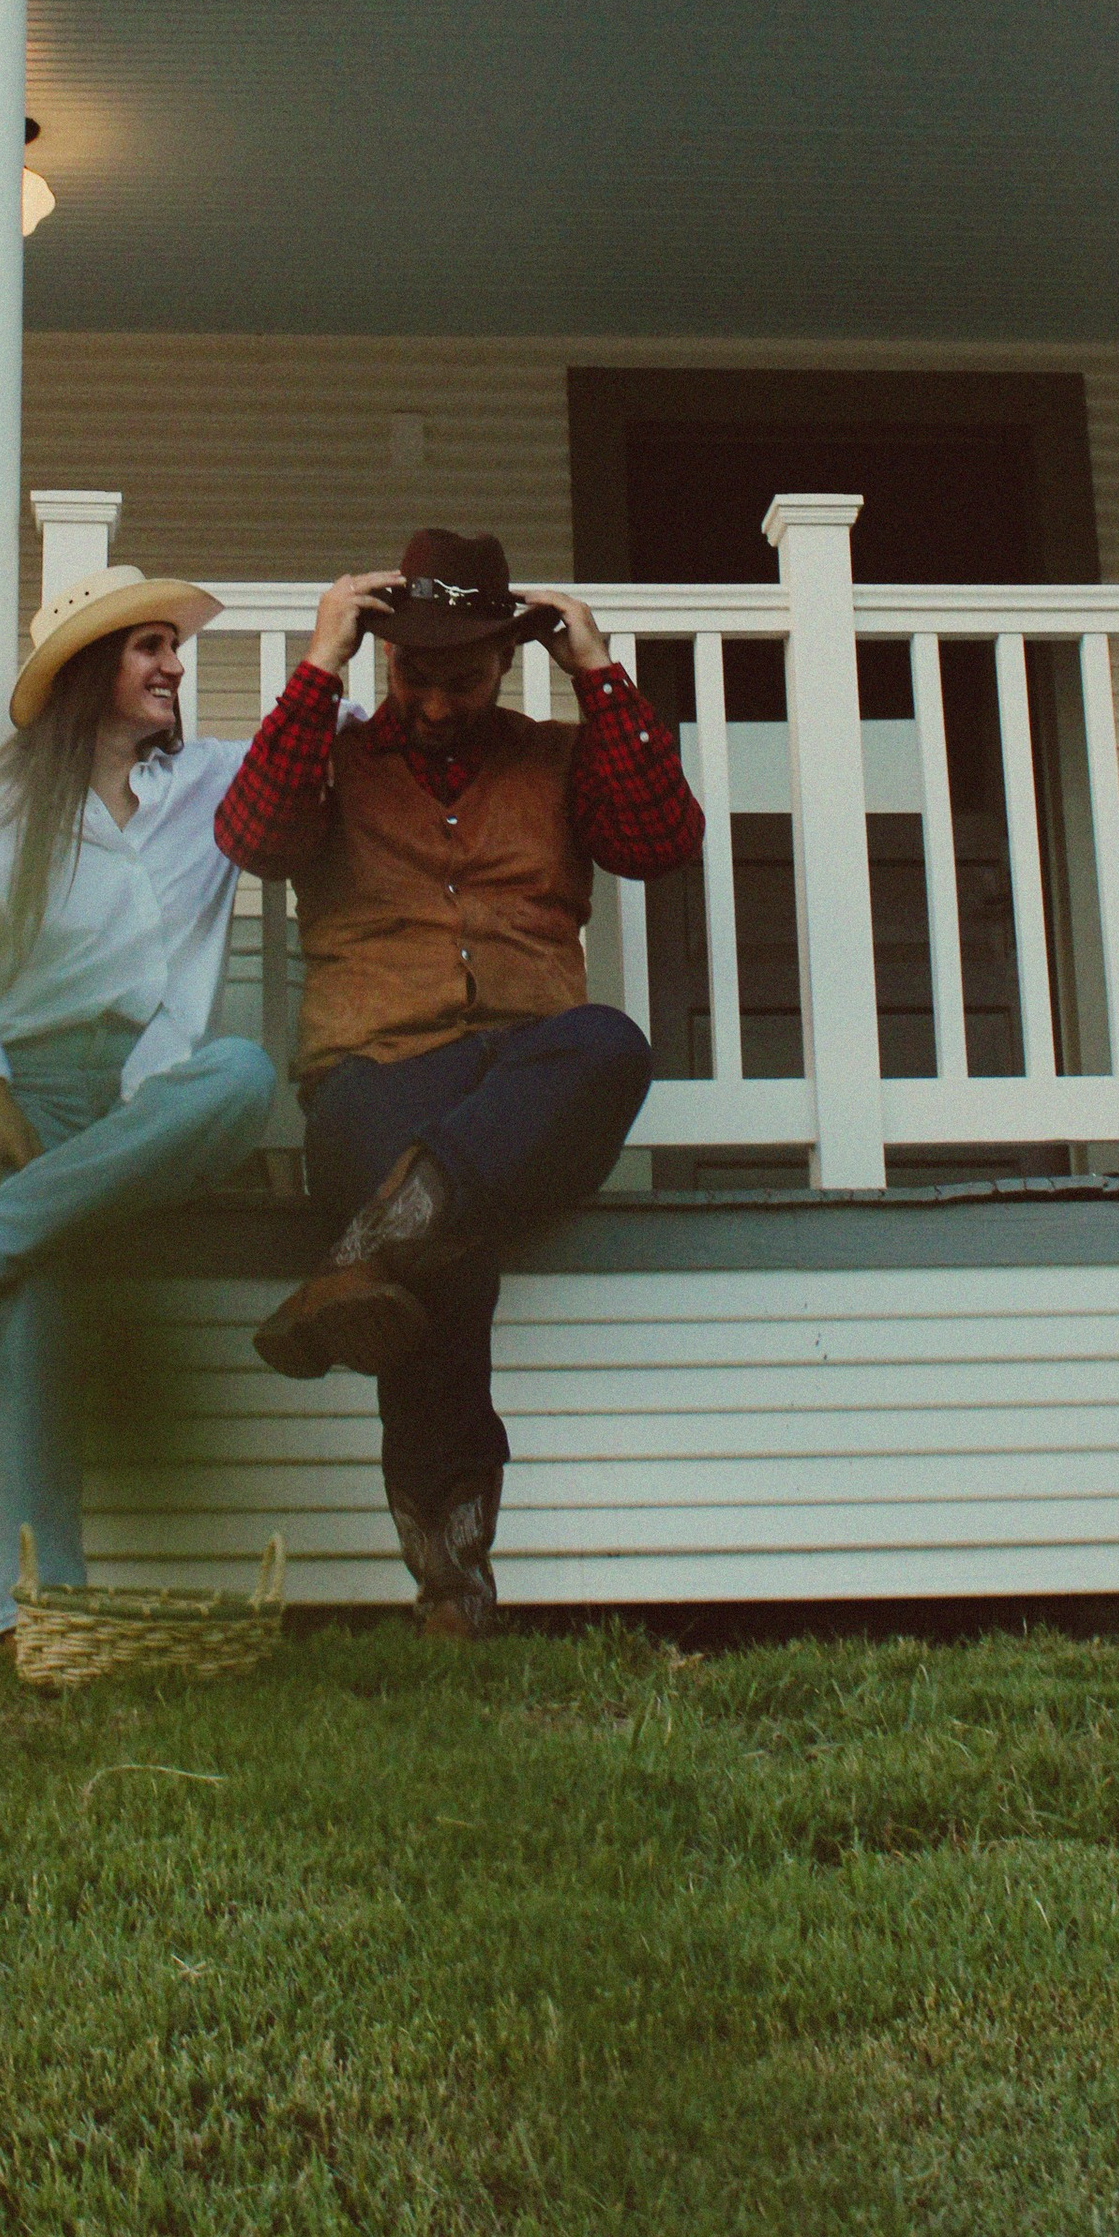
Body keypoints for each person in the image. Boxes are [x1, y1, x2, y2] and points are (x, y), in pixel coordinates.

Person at [214, 528, 704, 1638]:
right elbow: (250, 837)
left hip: (526, 1079)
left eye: (463, 678)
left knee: (611, 1043)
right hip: (369, 1077)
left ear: (506, 663)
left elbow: (662, 839)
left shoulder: (556, 755)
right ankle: (453, 1578)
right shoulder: (333, 755)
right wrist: (320, 665)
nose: (436, 702)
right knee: (450, 1248)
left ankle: (361, 1254)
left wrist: (597, 670)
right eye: (415, 676)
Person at [0, 563, 276, 1629]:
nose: (174, 665)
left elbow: (322, 746)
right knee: (32, 1302)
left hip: (140, 1102)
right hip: (17, 1090)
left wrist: (332, 646)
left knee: (242, 1075)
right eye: (148, 648)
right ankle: (43, 1612)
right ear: (89, 669)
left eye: (171, 647)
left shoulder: (205, 784)